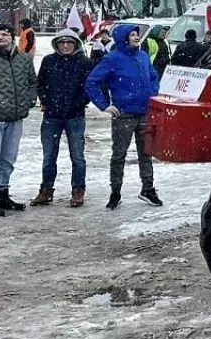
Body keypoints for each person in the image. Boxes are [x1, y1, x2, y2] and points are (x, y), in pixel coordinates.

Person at [85, 23, 162, 209]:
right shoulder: (112, 59)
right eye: (133, 35)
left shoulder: (143, 56)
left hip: (145, 112)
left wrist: (153, 92)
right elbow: (91, 82)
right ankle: (115, 192)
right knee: (119, 154)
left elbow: (152, 76)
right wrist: (104, 105)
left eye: (137, 34)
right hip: (124, 114)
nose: (137, 37)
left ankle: (148, 189)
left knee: (146, 153)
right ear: (123, 38)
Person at [32, 28, 92, 207]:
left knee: (77, 157)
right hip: (52, 117)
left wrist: (80, 102)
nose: (65, 46)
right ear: (56, 44)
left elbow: (91, 86)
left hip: (75, 117)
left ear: (76, 44)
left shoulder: (84, 62)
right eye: (62, 43)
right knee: (49, 156)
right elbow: (40, 83)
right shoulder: (49, 60)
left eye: (69, 42)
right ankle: (46, 190)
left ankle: (78, 191)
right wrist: (45, 100)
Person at [0, 22, 38, 212]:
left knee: (8, 159)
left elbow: (31, 82)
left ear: (12, 37)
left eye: (4, 34)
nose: (1, 37)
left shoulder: (24, 59)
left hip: (15, 117)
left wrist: (29, 100)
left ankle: (2, 193)